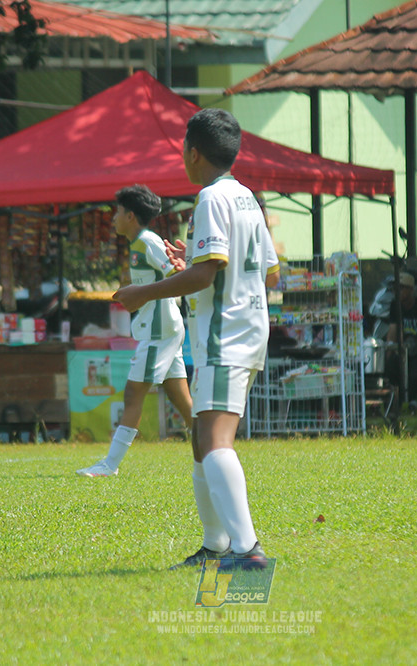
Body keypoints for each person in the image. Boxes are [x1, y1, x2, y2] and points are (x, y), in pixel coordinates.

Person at [114, 107, 279, 570]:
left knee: (214, 438)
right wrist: (195, 259)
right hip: (243, 328)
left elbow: (206, 276)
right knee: (200, 440)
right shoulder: (246, 197)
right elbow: (270, 271)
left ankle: (247, 550)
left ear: (192, 153)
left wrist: (143, 292)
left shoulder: (210, 198)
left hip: (226, 334)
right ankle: (215, 545)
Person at [76, 185, 194, 477]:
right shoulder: (139, 243)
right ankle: (216, 451)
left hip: (159, 331)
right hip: (164, 329)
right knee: (182, 401)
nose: (113, 218)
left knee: (133, 394)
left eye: (117, 212)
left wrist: (143, 293)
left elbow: (178, 275)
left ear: (130, 216)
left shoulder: (148, 242)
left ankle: (109, 465)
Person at [386, 272, 417, 403]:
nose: (397, 292)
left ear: (411, 289)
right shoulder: (394, 306)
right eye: (395, 288)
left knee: (415, 375)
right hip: (402, 350)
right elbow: (392, 332)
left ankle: (410, 403)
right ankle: (397, 401)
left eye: (401, 288)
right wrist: (388, 356)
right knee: (391, 369)